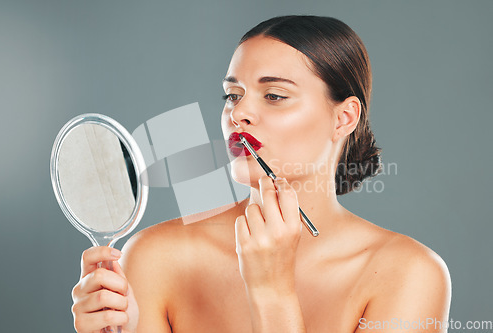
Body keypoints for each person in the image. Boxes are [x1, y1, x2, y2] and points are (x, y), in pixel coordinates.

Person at [71, 15, 451, 333]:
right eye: (233, 95)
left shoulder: (409, 273)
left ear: (344, 117)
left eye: (273, 95)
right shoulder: (155, 256)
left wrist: (273, 292)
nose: (238, 115)